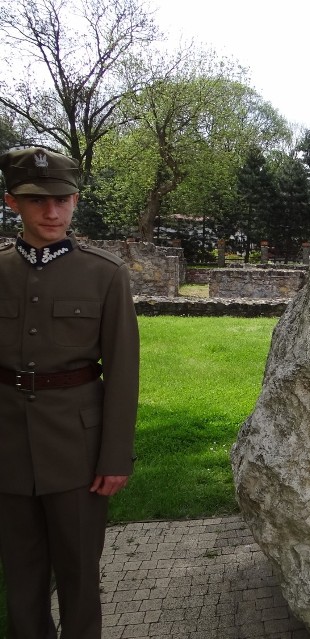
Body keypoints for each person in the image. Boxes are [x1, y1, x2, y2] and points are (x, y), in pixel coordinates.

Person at [0, 147, 139, 638]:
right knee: (20, 575)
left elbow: (123, 371)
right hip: (8, 446)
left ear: (76, 200)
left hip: (78, 450)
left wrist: (115, 455)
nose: (52, 211)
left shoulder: (104, 274)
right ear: (12, 202)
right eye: (37, 201)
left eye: (62, 199)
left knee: (80, 574)